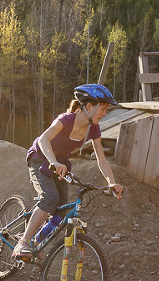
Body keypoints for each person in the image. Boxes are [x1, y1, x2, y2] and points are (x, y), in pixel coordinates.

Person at [14, 83, 124, 260]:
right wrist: (53, 162)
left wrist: (111, 182)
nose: (105, 114)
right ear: (88, 106)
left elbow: (101, 158)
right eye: (103, 109)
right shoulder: (65, 120)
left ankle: (36, 240)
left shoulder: (93, 128)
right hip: (40, 158)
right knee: (50, 198)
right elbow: (44, 139)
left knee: (61, 212)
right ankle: (23, 243)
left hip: (60, 164)